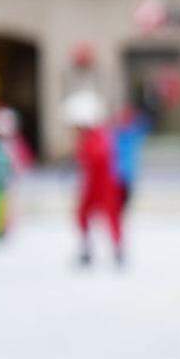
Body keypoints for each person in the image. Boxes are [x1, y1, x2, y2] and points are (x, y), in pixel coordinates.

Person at [65, 82, 124, 267]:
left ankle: (114, 250)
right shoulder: (91, 137)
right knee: (85, 216)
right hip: (97, 184)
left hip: (103, 185)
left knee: (107, 217)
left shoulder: (96, 137)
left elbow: (98, 160)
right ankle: (90, 249)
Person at [112, 104, 150, 211]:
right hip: (121, 175)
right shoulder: (122, 135)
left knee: (121, 202)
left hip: (123, 174)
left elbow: (145, 125)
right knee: (120, 201)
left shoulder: (127, 134)